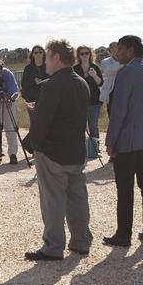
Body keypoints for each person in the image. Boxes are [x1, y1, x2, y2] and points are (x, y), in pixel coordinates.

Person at [22, 39, 92, 260]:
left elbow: (44, 121)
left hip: (53, 151)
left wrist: (32, 145)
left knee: (53, 201)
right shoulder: (81, 82)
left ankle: (53, 247)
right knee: (77, 198)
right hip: (76, 151)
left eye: (48, 55)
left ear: (56, 58)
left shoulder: (52, 85)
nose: (45, 60)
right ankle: (81, 242)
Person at [103, 34, 143, 247]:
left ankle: (123, 234)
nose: (117, 53)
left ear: (130, 50)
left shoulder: (126, 73)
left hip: (127, 139)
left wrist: (111, 141)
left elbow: (119, 111)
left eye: (120, 49)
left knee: (125, 188)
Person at [74, 45, 103, 154]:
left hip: (94, 102)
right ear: (79, 55)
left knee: (93, 126)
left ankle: (95, 149)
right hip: (80, 103)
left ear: (90, 54)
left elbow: (101, 83)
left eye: (87, 53)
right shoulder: (75, 69)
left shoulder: (95, 67)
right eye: (82, 53)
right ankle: (81, 149)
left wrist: (94, 75)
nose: (85, 55)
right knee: (80, 127)